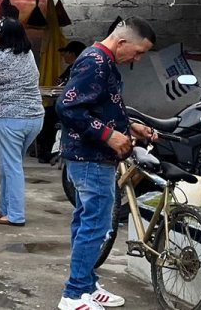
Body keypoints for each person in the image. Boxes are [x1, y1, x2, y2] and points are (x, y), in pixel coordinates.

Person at [55, 18, 158, 310]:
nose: (137, 59)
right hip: (91, 156)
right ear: (122, 42)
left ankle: (86, 284)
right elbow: (67, 106)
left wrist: (131, 126)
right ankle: (73, 294)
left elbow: (104, 104)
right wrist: (107, 135)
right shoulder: (95, 62)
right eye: (138, 52)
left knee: (86, 221)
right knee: (96, 226)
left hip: (95, 156)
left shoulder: (105, 62)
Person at [0, 18, 44, 228]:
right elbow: (19, 85)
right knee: (9, 166)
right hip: (35, 118)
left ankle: (16, 215)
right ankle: (5, 208)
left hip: (10, 120)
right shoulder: (28, 55)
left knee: (11, 168)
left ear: (2, 36)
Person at [36, 41, 86, 163]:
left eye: (66, 53)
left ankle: (49, 152)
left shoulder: (81, 69)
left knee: (48, 119)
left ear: (72, 53)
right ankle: (45, 150)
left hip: (74, 108)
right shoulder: (71, 68)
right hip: (63, 104)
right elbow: (61, 84)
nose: (63, 57)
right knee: (43, 114)